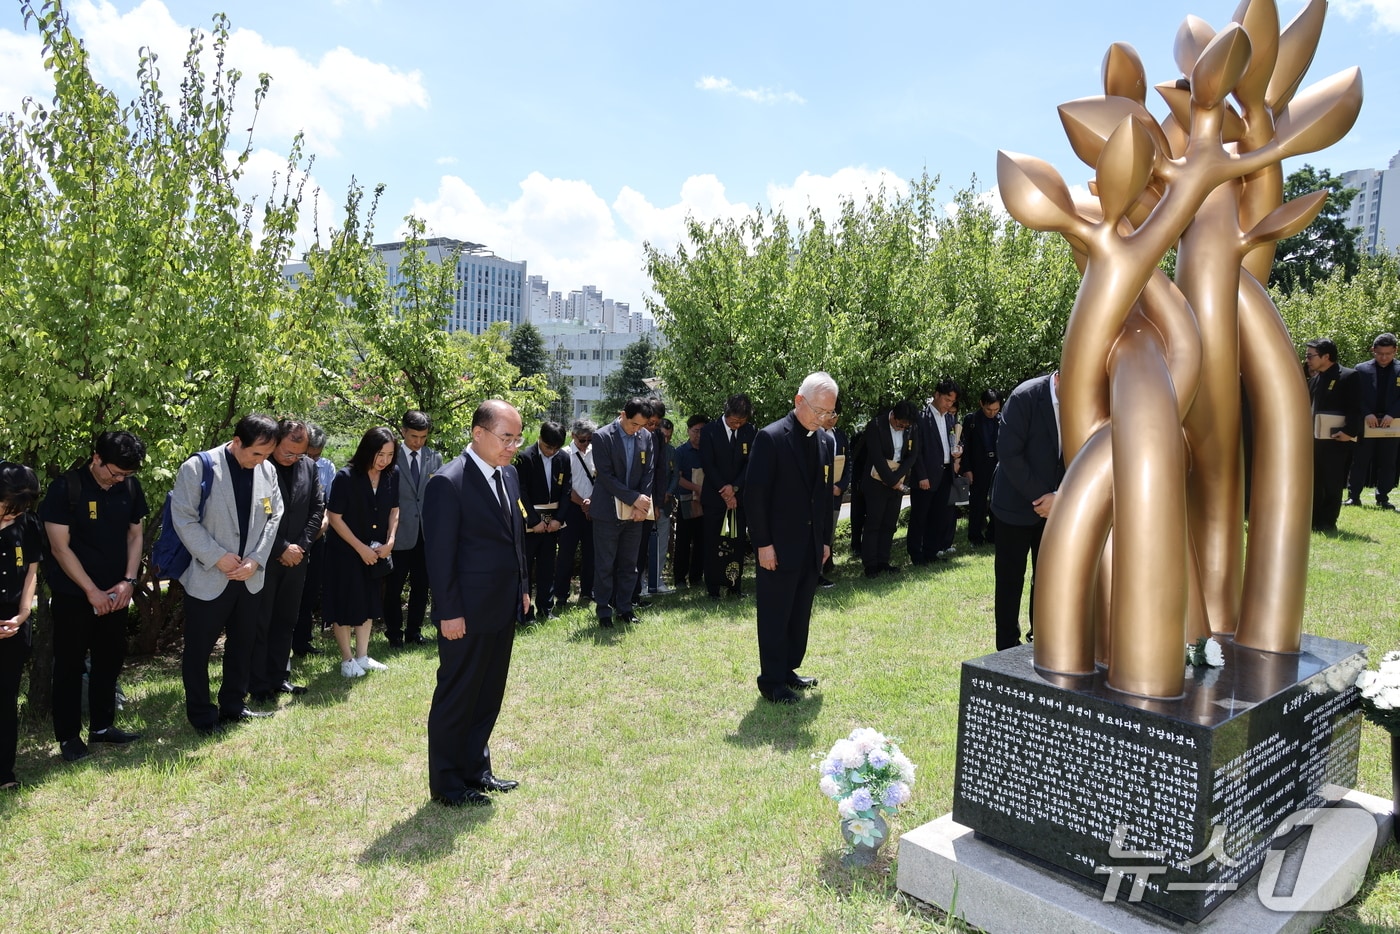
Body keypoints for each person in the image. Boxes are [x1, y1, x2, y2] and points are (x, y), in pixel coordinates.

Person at [423, 399, 529, 807]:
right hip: (464, 613)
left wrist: (522, 586)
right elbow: (440, 557)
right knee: (458, 694)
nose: (513, 446)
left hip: (501, 606)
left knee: (488, 693)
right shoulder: (448, 482)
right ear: (478, 433)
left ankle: (476, 768)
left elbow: (514, 537)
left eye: (517, 438)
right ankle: (448, 784)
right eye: (506, 437)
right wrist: (449, 611)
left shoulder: (509, 475)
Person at [171, 415, 284, 733]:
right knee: (198, 649)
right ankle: (202, 716)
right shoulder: (198, 468)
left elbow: (274, 516)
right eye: (256, 453)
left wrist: (256, 560)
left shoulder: (267, 469)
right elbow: (183, 517)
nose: (261, 461)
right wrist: (216, 556)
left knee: (243, 644)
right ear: (236, 443)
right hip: (209, 576)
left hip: (248, 577)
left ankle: (234, 705)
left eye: (266, 454)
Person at [41, 430, 149, 760]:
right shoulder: (66, 488)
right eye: (115, 472)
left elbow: (135, 535)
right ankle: (69, 737)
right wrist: (91, 591)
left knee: (109, 660)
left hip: (116, 593)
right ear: (97, 458)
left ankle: (102, 727)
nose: (119, 480)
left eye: (126, 475)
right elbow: (59, 548)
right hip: (74, 594)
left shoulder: (129, 486)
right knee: (70, 665)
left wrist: (129, 581)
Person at [747, 373, 838, 704]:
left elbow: (825, 497)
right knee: (775, 614)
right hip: (778, 546)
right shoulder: (770, 438)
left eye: (830, 413)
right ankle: (770, 680)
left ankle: (787, 669)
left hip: (811, 546)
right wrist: (763, 544)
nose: (824, 418)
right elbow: (755, 497)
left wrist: (825, 540)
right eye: (819, 411)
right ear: (799, 401)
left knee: (799, 614)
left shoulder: (825, 441)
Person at [249, 420, 323, 704]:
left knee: (286, 620)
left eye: (299, 454)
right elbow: (258, 513)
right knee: (261, 621)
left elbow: (317, 508)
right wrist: (281, 547)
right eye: (287, 453)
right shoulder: (259, 467)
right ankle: (257, 683)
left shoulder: (309, 467)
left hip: (298, 558)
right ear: (275, 442)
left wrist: (301, 546)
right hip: (264, 558)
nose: (292, 459)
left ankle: (280, 676)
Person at [990, 373, 1063, 650]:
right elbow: (1009, 454)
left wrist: (1059, 497)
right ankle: (1007, 647)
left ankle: (1041, 638)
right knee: (1010, 580)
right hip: (1014, 507)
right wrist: (1041, 497)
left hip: (1055, 508)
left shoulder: (1084, 400)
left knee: (1047, 577)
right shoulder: (1025, 396)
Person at [324, 427, 399, 676]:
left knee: (369, 601)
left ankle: (363, 656)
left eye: (389, 455)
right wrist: (360, 548)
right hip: (345, 551)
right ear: (367, 450)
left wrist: (390, 540)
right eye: (380, 454)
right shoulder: (346, 477)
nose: (384, 461)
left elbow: (394, 510)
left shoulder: (391, 474)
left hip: (376, 551)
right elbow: (334, 517)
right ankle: (347, 660)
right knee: (345, 603)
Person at [591, 397, 655, 627]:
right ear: (623, 415)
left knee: (630, 564)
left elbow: (649, 472)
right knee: (605, 564)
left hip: (636, 512)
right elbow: (606, 477)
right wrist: (634, 498)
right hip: (607, 511)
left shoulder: (646, 437)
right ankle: (603, 611)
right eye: (633, 424)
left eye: (641, 426)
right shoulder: (601, 436)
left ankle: (625, 608)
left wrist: (642, 504)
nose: (636, 430)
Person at [385, 410, 442, 646]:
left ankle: (414, 630)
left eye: (423, 437)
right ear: (403, 432)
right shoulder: (390, 456)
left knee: (422, 585)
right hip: (398, 534)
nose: (418, 442)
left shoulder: (434, 457)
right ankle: (394, 633)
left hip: (425, 535)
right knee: (393, 586)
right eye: (413, 437)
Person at [0, 464, 41, 789]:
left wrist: (23, 613)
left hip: (13, 624)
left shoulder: (28, 524)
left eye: (16, 511)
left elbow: (30, 572)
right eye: (5, 509)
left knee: (6, 699)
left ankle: (4, 773)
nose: (10, 516)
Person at [699, 394, 757, 598]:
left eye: (742, 421)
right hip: (715, 498)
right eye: (734, 421)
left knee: (736, 543)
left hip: (738, 499)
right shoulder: (709, 431)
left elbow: (750, 463)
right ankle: (713, 587)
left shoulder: (750, 431)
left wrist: (735, 488)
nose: (737, 425)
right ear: (726, 414)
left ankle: (734, 586)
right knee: (714, 542)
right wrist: (725, 489)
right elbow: (708, 463)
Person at [1306, 338, 1364, 532]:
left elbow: (1356, 407)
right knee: (1315, 481)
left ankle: (1327, 522)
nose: (1307, 359)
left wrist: (1349, 432)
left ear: (1326, 356)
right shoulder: (1315, 379)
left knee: (1332, 481)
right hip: (1315, 440)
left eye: (1311, 355)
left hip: (1337, 439)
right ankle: (1313, 520)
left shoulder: (1348, 376)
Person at [516, 420, 570, 623]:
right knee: (526, 569)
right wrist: (532, 520)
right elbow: (520, 492)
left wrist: (559, 519)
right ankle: (525, 612)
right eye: (548, 447)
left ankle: (546, 609)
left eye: (555, 448)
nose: (551, 452)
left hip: (553, 523)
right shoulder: (525, 458)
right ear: (540, 439)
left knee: (548, 566)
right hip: (530, 522)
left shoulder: (563, 457)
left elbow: (566, 490)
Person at [859, 401, 919, 577]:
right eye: (900, 424)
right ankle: (870, 564)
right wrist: (890, 479)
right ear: (893, 416)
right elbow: (876, 457)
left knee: (889, 523)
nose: (902, 428)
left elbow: (912, 455)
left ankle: (883, 561)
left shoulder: (911, 428)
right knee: (874, 522)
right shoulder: (876, 425)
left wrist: (896, 479)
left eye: (906, 426)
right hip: (876, 480)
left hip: (897, 480)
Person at [293, 424, 335, 656]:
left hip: (317, 539)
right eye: (308, 454)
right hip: (292, 539)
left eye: (316, 455)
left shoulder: (327, 467)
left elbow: (330, 502)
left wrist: (325, 520)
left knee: (309, 592)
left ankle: (302, 642)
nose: (312, 459)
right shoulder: (290, 465)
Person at [1346, 333, 1400, 510]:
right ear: (1373, 351)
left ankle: (1383, 497)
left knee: (1388, 461)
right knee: (1360, 460)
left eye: (1388, 354)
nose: (1384, 357)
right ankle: (1353, 497)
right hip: (1367, 422)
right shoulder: (1361, 369)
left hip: (1392, 422)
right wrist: (1366, 413)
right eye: (1380, 353)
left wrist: (1392, 414)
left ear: (1395, 351)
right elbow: (1355, 396)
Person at [908, 382, 961, 564]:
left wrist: (959, 450)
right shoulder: (921, 417)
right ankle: (916, 554)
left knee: (939, 515)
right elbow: (916, 450)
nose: (949, 404)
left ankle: (931, 552)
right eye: (947, 399)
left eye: (952, 400)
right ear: (937, 394)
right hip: (926, 475)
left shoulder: (949, 419)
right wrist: (922, 475)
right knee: (920, 516)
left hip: (946, 472)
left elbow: (953, 441)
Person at [553, 419, 597, 608]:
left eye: (589, 439)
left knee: (592, 553)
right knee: (566, 553)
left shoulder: (596, 452)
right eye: (582, 440)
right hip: (571, 509)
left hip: (592, 507)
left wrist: (591, 502)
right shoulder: (564, 455)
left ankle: (587, 592)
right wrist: (583, 504)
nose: (586, 443)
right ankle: (561, 595)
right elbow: (564, 487)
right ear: (573, 436)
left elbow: (602, 479)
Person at [961, 389, 1003, 546]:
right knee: (977, 503)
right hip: (978, 466)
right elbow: (966, 447)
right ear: (981, 404)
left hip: (997, 466)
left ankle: (993, 534)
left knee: (997, 501)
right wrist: (967, 468)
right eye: (988, 409)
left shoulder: (1002, 419)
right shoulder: (971, 420)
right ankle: (975, 536)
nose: (992, 413)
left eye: (996, 409)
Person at [673, 414, 709, 589]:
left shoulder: (709, 450)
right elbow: (678, 479)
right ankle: (679, 578)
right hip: (687, 500)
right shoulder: (680, 452)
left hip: (706, 502)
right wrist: (697, 488)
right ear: (688, 431)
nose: (698, 435)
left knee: (701, 541)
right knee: (683, 541)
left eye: (702, 431)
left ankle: (696, 577)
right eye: (696, 431)